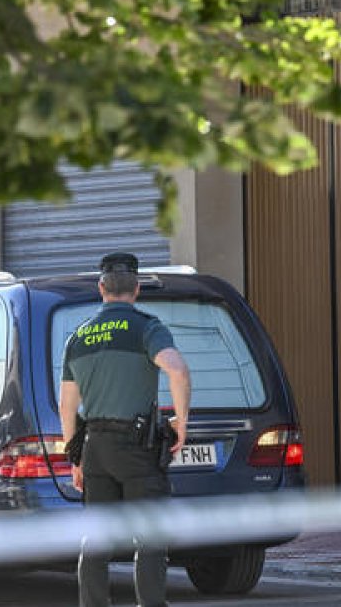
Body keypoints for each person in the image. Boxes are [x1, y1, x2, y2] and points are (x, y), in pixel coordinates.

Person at [59, 253, 192, 607]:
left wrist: (75, 458)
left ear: (101, 288)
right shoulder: (147, 327)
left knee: (96, 541)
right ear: (136, 289)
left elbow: (67, 405)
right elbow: (177, 370)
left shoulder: (78, 337)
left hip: (95, 448)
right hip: (135, 447)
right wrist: (182, 421)